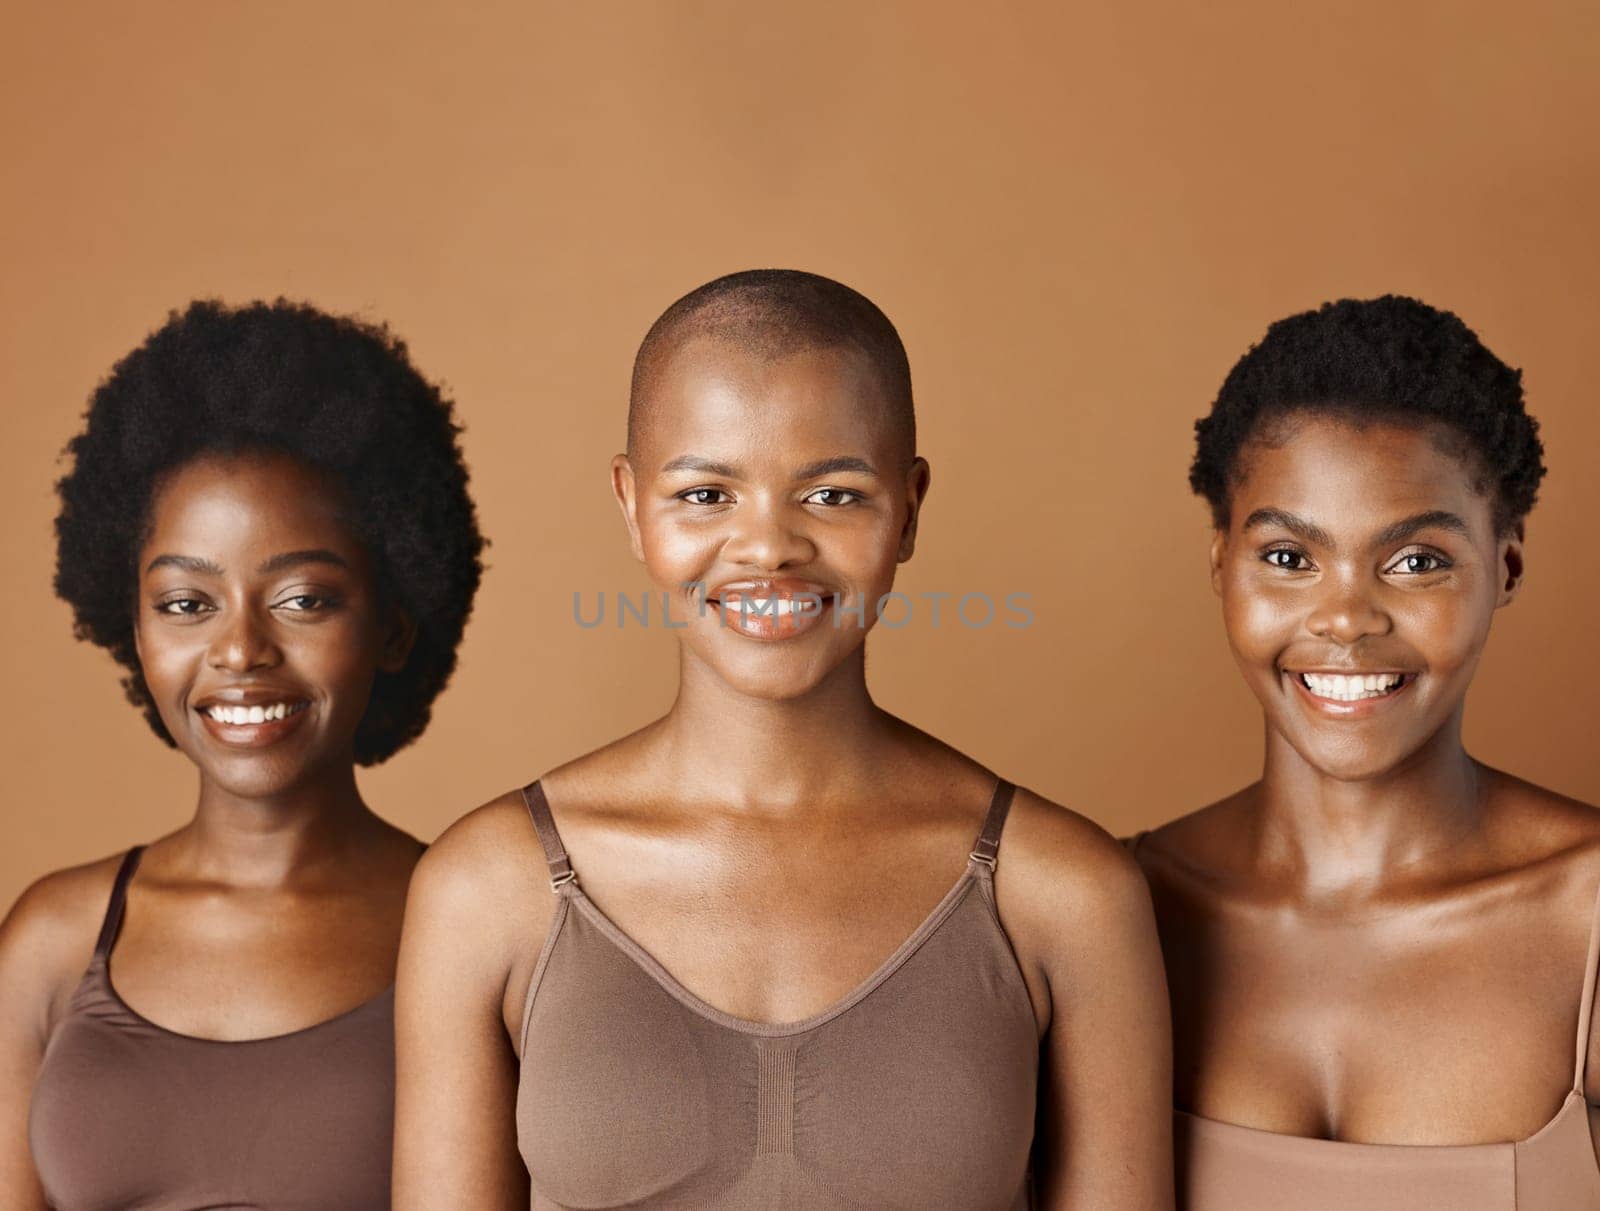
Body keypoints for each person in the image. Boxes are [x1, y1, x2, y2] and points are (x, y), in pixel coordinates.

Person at [394, 269, 1173, 1210]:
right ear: (631, 505)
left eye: (834, 495)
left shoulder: (1064, 894)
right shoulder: (486, 889)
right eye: (706, 494)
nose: (768, 548)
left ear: (911, 507)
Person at [0, 299, 484, 1210]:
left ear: (391, 625)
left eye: (303, 599)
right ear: (130, 627)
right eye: (188, 604)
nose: (239, 650)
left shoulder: (464, 924)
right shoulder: (52, 941)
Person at [1130, 295, 1600, 1210]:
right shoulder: (1119, 910)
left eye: (1417, 560)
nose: (1345, 618)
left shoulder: (1590, 923)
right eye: (1289, 557)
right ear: (1222, 564)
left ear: (1504, 567)